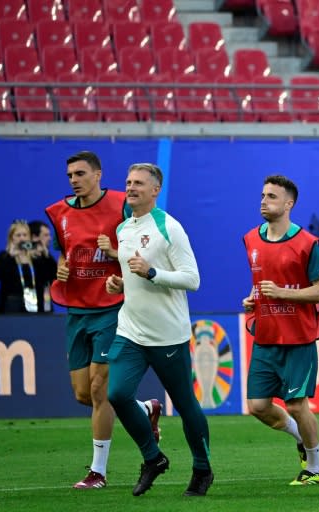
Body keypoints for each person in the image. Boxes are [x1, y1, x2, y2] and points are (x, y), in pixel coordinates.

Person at [45, 151, 161, 489]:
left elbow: (144, 245)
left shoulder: (122, 205)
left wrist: (114, 253)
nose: (74, 180)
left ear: (98, 175)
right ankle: (144, 408)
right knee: (84, 393)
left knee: (99, 389)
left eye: (80, 173)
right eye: (70, 175)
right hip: (77, 311)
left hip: (112, 308)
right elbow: (65, 250)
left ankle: (98, 472)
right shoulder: (60, 212)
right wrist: (61, 265)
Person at [105, 163, 213, 497]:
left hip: (168, 336)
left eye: (139, 183)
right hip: (130, 330)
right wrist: (120, 283)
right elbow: (135, 276)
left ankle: (202, 470)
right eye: (128, 182)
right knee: (117, 395)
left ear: (156, 190)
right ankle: (153, 458)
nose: (131, 187)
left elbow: (192, 279)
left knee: (185, 405)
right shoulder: (123, 228)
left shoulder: (170, 228)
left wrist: (153, 273)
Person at [242, 175, 319, 486]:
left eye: (272, 197)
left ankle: (314, 468)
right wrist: (252, 299)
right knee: (259, 406)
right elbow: (261, 285)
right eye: (263, 195)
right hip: (265, 337)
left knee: (295, 404)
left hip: (298, 338)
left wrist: (283, 294)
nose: (264, 201)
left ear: (289, 204)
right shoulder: (251, 239)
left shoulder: (307, 243)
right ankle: (299, 436)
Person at [0, 220, 56, 314]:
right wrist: (9, 257)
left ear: (29, 237)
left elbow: (53, 276)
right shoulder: (5, 256)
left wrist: (46, 256)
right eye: (18, 235)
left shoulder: (36, 257)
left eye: (25, 235)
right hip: (11, 307)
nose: (22, 238)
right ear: (12, 238)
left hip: (36, 306)